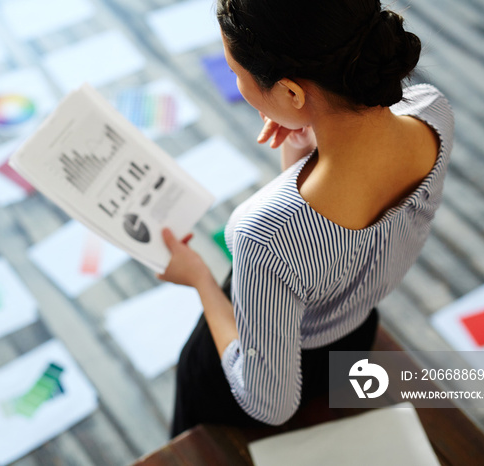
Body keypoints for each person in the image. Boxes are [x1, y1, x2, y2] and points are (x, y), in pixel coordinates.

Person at [157, 0, 455, 437]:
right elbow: (326, 242)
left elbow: (270, 402)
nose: (239, 84)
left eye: (237, 74)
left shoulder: (263, 233)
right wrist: (304, 137)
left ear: (293, 92)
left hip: (251, 380)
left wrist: (200, 279)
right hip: (353, 336)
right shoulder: (432, 109)